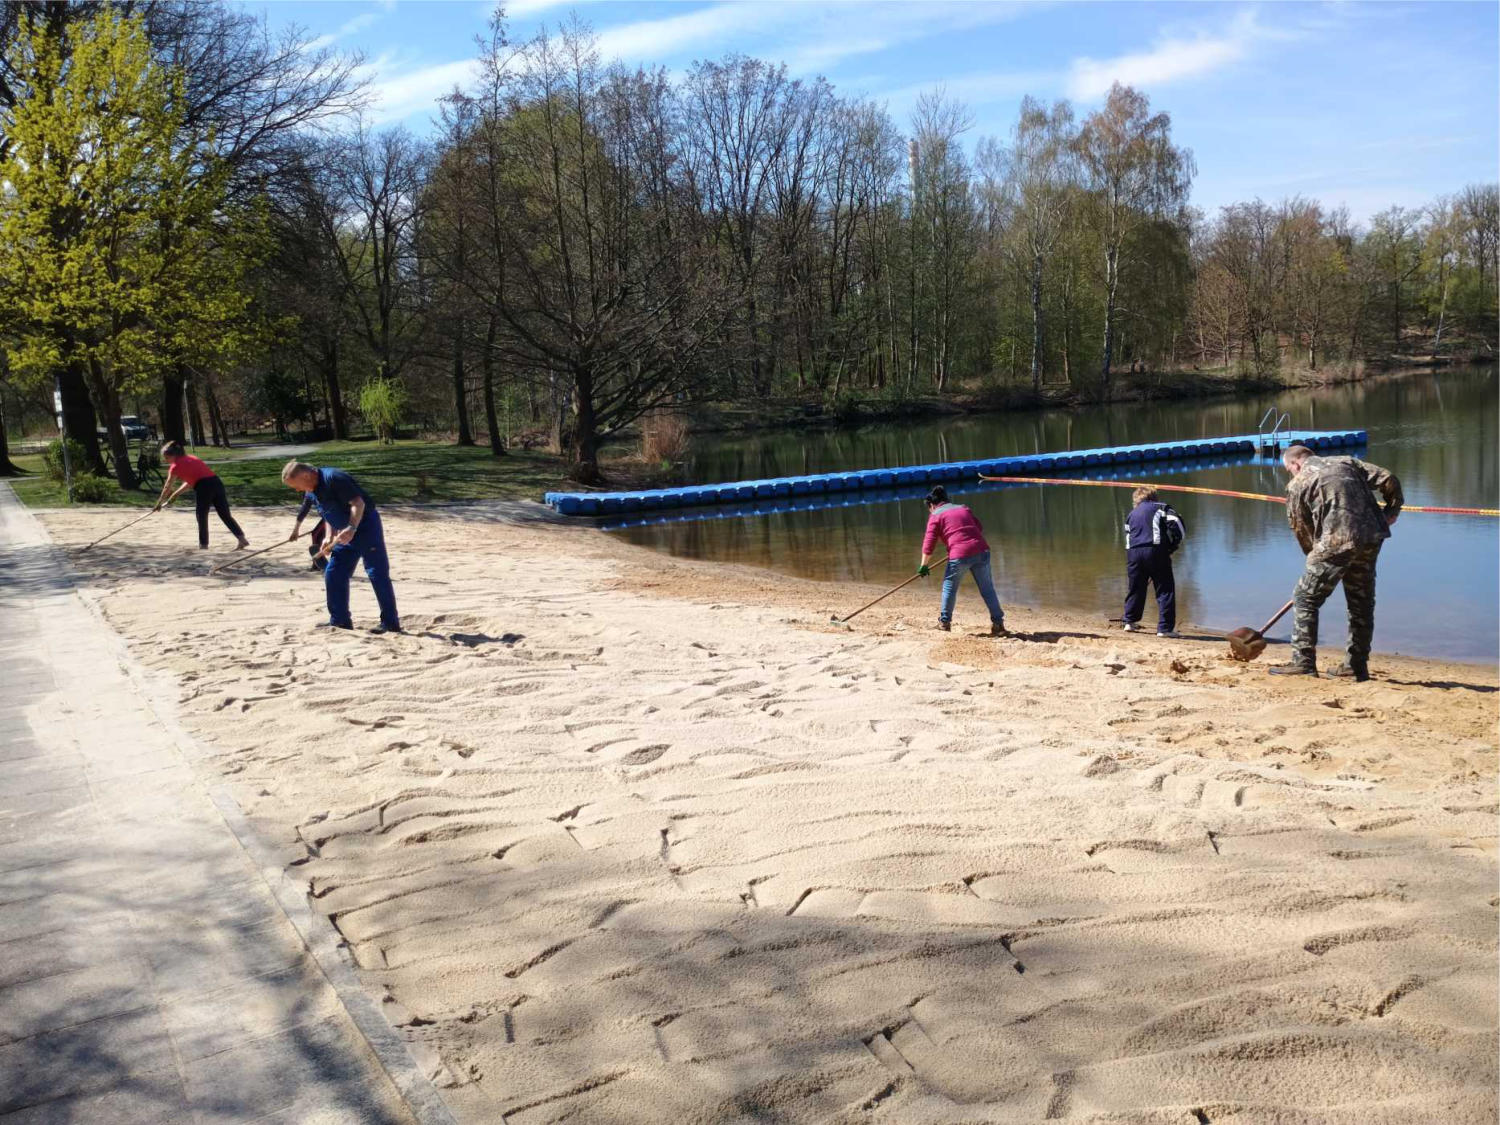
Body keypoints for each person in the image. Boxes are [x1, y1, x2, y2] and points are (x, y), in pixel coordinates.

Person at [1270, 444, 1402, 681]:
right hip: (1371, 536)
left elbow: (1300, 527)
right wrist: (1392, 510)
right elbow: (1388, 478)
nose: (1291, 473)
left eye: (1289, 469)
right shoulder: (1347, 462)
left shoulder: (1299, 483)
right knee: (1361, 601)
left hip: (1335, 542)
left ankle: (1303, 662)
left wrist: (1313, 558)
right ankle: (1356, 667)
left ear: (1295, 463)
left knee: (1305, 598)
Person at [281, 461, 401, 635]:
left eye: (296, 486)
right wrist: (329, 536)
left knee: (377, 574)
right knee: (334, 573)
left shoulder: (334, 478)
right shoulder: (311, 489)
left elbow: (358, 504)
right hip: (343, 534)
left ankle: (390, 623)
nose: (297, 490)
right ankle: (340, 621)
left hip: (366, 528)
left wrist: (351, 528)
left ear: (306, 475)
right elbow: (328, 513)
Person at [918, 486, 1006, 635]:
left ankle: (944, 623)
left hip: (959, 555)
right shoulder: (963, 508)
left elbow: (929, 543)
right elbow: (978, 527)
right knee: (987, 589)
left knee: (949, 588)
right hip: (981, 550)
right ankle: (999, 624)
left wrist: (923, 565)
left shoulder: (935, 515)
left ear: (932, 505)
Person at [153, 442, 249, 551]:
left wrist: (159, 503)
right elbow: (191, 481)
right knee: (225, 514)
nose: (165, 460)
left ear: (173, 455)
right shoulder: (192, 458)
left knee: (201, 516)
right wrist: (175, 494)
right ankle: (241, 538)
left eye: (166, 457)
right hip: (216, 483)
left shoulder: (174, 467)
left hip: (204, 487)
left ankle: (203, 545)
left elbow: (167, 486)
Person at [1121, 486, 1185, 637]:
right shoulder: (1161, 507)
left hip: (1133, 553)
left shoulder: (1131, 514)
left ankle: (1129, 621)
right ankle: (1165, 628)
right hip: (1155, 550)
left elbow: (1128, 535)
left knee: (1136, 588)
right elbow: (1178, 525)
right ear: (1153, 496)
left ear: (1136, 499)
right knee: (1165, 589)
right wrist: (1172, 545)